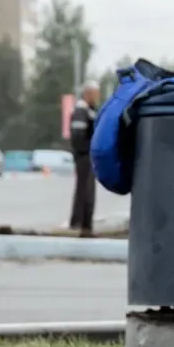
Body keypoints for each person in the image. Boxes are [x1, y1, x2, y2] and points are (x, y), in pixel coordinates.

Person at [68, 81, 100, 237]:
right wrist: (87, 150)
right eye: (95, 93)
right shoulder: (81, 110)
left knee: (88, 191)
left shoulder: (90, 110)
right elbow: (77, 136)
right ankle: (78, 223)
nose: (97, 96)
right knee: (84, 190)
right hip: (84, 157)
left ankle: (86, 223)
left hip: (88, 156)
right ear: (88, 93)